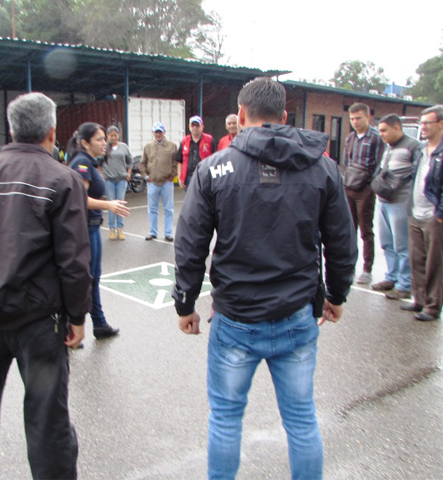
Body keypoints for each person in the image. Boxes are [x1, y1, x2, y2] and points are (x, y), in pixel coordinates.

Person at [173, 77, 357, 480]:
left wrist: (184, 303)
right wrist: (337, 295)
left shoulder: (212, 169)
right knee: (301, 420)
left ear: (240, 115)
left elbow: (190, 244)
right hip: (296, 316)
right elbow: (342, 241)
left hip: (236, 318)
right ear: (285, 117)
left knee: (225, 419)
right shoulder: (322, 166)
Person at [0, 92, 90, 479]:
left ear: (10, 130)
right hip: (38, 323)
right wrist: (78, 315)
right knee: (47, 418)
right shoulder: (62, 178)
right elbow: (73, 260)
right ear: (52, 131)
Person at [69, 123, 129, 339]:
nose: (104, 143)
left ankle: (98, 324)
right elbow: (79, 199)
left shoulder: (88, 161)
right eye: (99, 139)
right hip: (85, 230)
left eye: (105, 139)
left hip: (91, 228)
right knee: (88, 279)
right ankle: (78, 326)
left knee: (92, 278)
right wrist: (108, 205)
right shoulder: (82, 162)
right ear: (85, 143)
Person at [403, 105, 443, 321]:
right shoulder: (421, 149)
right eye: (422, 122)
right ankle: (419, 300)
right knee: (417, 259)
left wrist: (442, 214)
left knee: (434, 263)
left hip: (433, 217)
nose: (423, 127)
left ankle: (432, 306)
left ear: (442, 124)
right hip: (415, 214)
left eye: (428, 122)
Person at [370, 114, 422, 300]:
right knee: (387, 243)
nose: (381, 134)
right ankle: (391, 277)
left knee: (402, 245)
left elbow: (418, 176)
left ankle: (404, 284)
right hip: (384, 202)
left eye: (384, 130)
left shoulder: (414, 146)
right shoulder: (388, 147)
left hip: (400, 202)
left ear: (397, 128)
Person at [343, 103, 384, 285]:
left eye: (358, 118)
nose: (355, 122)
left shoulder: (376, 138)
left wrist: (371, 186)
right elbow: (346, 162)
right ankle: (349, 266)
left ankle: (367, 269)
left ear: (368, 117)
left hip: (365, 190)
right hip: (349, 187)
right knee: (350, 230)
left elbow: (379, 164)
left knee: (366, 230)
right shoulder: (350, 138)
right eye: (352, 119)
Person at [139, 122, 178, 241]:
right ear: (153, 133)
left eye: (160, 132)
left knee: (169, 209)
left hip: (167, 182)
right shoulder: (148, 146)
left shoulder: (172, 146)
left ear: (164, 132)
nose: (158, 134)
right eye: (156, 132)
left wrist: (173, 175)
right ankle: (152, 232)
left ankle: (168, 233)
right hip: (152, 183)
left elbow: (176, 163)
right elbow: (142, 163)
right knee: (152, 209)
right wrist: (146, 176)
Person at [101, 125, 133, 240]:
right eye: (111, 135)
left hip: (121, 180)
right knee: (111, 205)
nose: (113, 137)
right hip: (109, 180)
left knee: (120, 205)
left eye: (115, 135)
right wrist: (101, 174)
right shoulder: (104, 147)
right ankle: (111, 229)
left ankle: (120, 229)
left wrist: (128, 173)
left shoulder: (124, 147)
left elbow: (130, 161)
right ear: (107, 136)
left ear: (118, 135)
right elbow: (98, 162)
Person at [176, 115, 216, 189]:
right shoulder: (184, 141)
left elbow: (215, 160)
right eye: (193, 125)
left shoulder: (210, 140)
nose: (195, 127)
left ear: (202, 127)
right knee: (189, 200)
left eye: (197, 125)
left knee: (204, 199)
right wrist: (180, 178)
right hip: (188, 177)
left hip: (204, 177)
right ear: (189, 127)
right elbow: (180, 161)